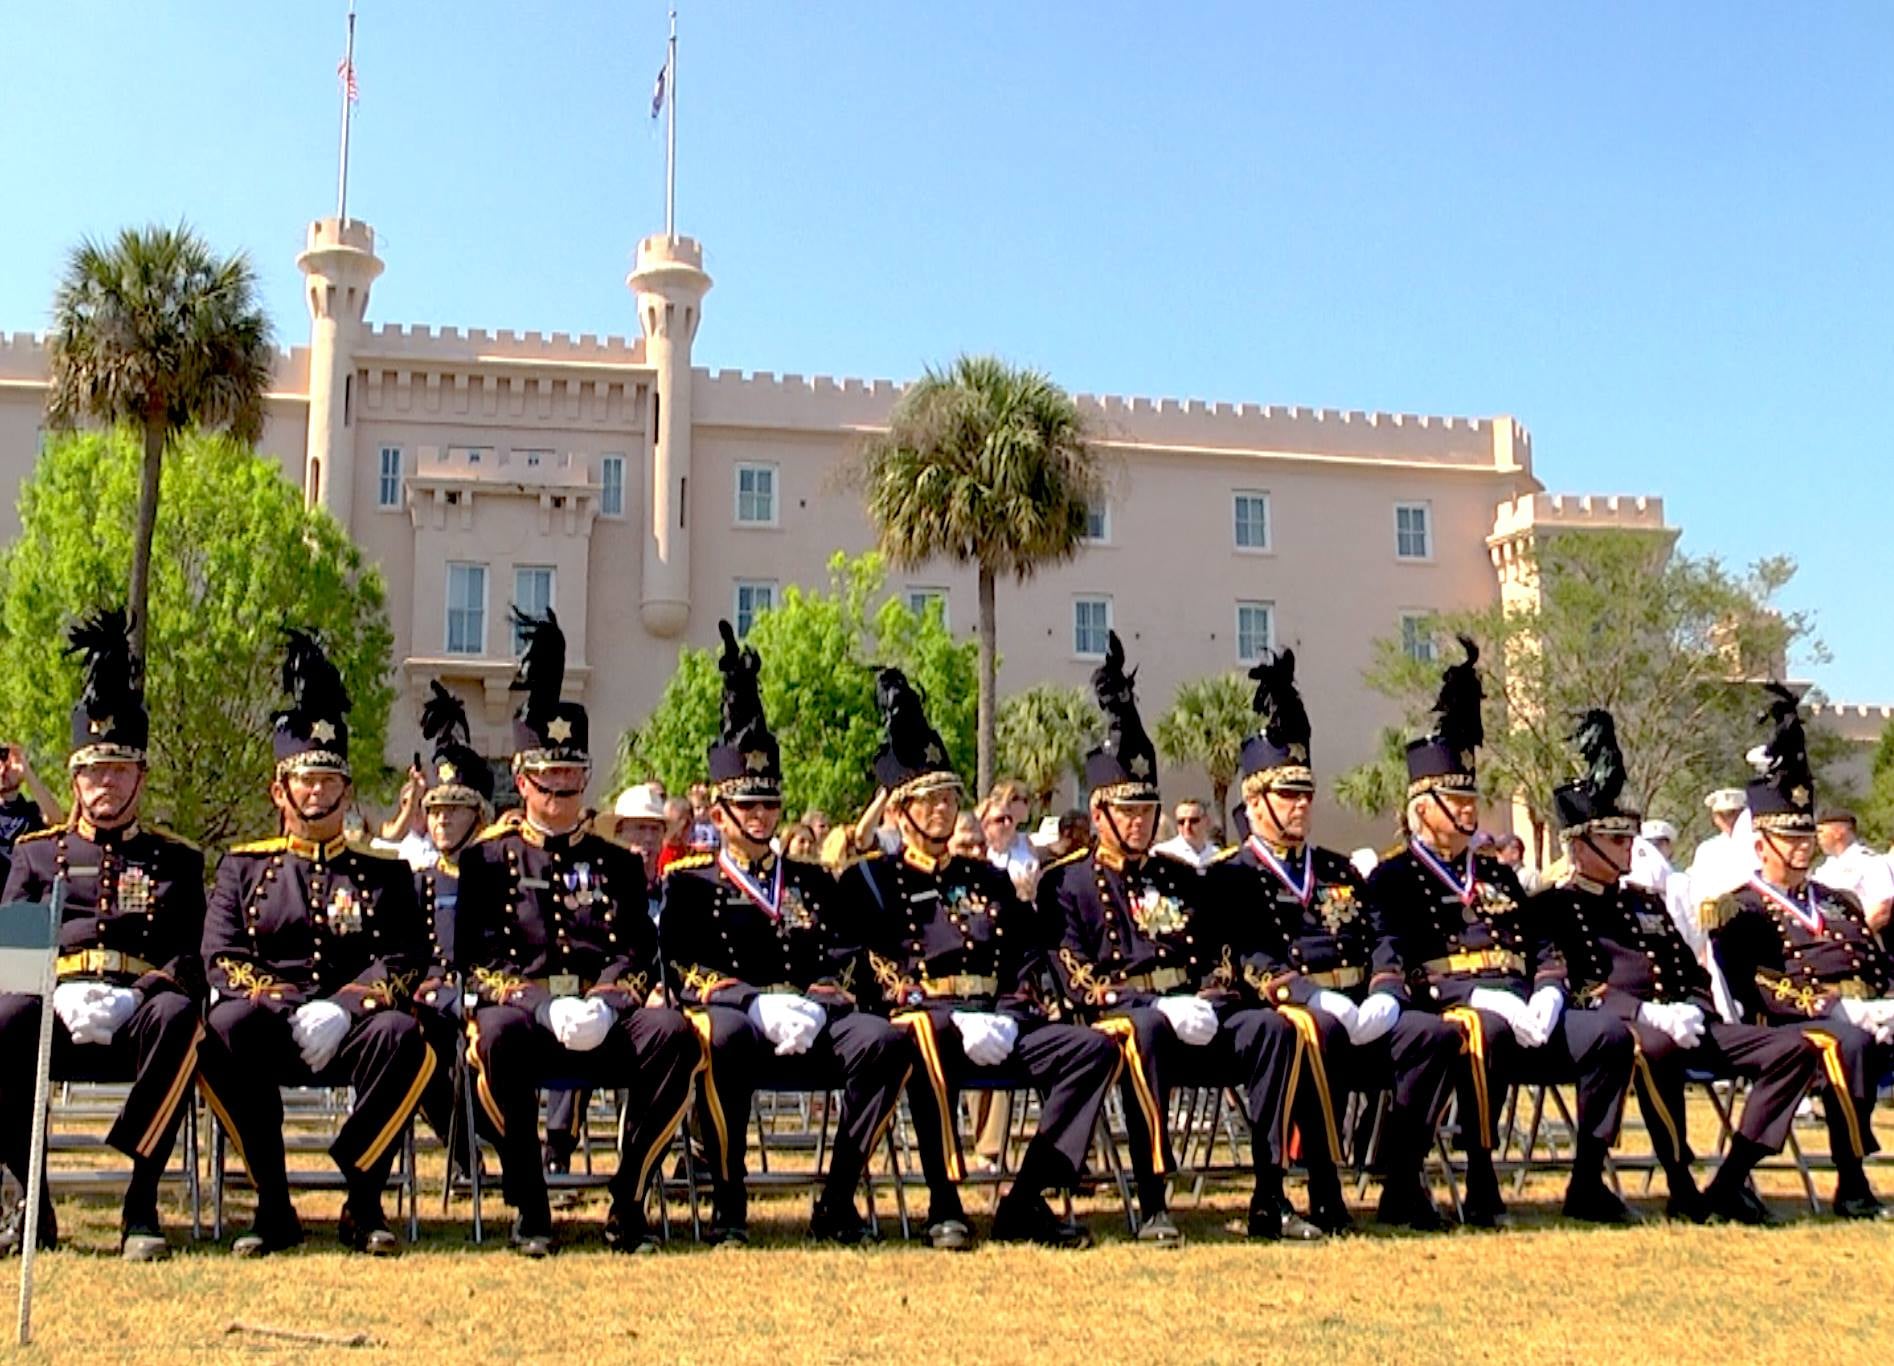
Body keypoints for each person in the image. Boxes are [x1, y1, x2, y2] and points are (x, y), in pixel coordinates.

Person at [839, 667, 1119, 1250]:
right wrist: (925, 1001)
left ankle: (1026, 1197)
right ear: (899, 810)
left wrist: (1013, 1004)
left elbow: (1023, 950)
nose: (942, 810)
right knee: (924, 1030)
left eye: (948, 798)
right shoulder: (872, 880)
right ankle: (945, 1198)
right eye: (928, 800)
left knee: (1091, 1048)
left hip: (997, 1017)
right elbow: (867, 962)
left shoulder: (984, 878)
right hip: (925, 1017)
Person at [1041, 633, 1306, 1245]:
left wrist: (1214, 995)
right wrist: (1150, 1005)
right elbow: (1074, 972)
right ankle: (1155, 1197)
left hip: (1195, 1014)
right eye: (1126, 812)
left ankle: (1271, 1194)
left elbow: (1220, 951)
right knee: (1150, 1032)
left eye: (1146, 810)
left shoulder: (1183, 876)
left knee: (1270, 1028)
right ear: (1100, 812)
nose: (1139, 822)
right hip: (1123, 1022)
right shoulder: (1069, 882)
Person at [1365, 637, 1637, 1227]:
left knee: (1610, 1037)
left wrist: (1548, 988)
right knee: (1482, 1030)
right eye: (1455, 798)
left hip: (1523, 1005)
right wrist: (1470, 994)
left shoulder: (1495, 873)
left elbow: (1540, 939)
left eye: (1471, 796)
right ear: (1421, 806)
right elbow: (1396, 956)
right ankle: (1483, 1182)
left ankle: (1587, 1180)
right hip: (1457, 1009)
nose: (1469, 809)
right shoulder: (1395, 876)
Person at [456, 610, 700, 1256]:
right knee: (495, 1035)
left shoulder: (618, 863)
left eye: (571, 779)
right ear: (521, 778)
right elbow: (473, 965)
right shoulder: (485, 860)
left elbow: (639, 957)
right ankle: (531, 1203)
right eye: (548, 780)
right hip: (528, 1020)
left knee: (673, 1034)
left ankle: (629, 1198)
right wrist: (538, 1002)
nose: (560, 794)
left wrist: (609, 1000)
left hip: (604, 1016)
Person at [660, 623, 912, 1245]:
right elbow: (681, 968)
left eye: (770, 805)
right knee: (723, 1039)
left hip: (811, 1014)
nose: (762, 817)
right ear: (719, 813)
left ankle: (838, 1196)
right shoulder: (691, 884)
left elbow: (845, 951)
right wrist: (750, 1000)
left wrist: (824, 992)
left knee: (883, 1041)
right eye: (748, 807)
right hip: (739, 1018)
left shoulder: (809, 878)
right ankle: (727, 1195)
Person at [196, 630, 435, 1257]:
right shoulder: (242, 868)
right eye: (305, 780)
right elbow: (220, 959)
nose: (318, 791)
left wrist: (349, 1005)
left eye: (330, 779)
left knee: (404, 1035)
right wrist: (280, 1003)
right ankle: (271, 1204)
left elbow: (408, 959)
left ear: (348, 789)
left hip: (350, 1027)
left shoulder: (384, 873)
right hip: (271, 1023)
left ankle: (363, 1198)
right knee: (223, 1028)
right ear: (280, 790)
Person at [1536, 709, 1821, 1224]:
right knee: (1655, 1044)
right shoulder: (1556, 906)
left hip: (1684, 1022)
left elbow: (1688, 972)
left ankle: (1731, 1178)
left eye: (1630, 839)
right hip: (1620, 1028)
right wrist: (1647, 1013)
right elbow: (1578, 987)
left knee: (1794, 1048)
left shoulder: (1646, 901)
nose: (1630, 849)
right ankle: (1678, 1180)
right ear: (1581, 845)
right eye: (1618, 840)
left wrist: (1692, 1007)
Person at [1214, 649, 1461, 1233]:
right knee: (1311, 1030)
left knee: (1432, 1034)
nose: (1302, 805)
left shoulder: (1339, 868)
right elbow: (1243, 953)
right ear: (1254, 801)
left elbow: (1381, 934)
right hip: (1289, 1014)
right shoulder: (1231, 875)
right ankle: (1324, 1187)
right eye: (1287, 794)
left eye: (1306, 793)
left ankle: (1400, 1178)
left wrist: (1385, 989)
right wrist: (1307, 994)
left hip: (1360, 1009)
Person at [0, 609, 205, 1261]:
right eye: (94, 771)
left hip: (138, 1016)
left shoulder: (175, 860)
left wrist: (138, 991)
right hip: (56, 1015)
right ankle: (32, 1201)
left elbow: (188, 956)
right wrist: (55, 987)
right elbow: (14, 960)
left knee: (181, 1014)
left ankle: (141, 1202)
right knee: (3, 1011)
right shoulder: (35, 856)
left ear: (141, 777)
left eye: (119, 770)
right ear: (73, 777)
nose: (105, 784)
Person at [1704, 687, 1894, 1219]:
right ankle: (1853, 1181)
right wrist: (1832, 1008)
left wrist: (1885, 1002)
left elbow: (1877, 962)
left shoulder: (1837, 899)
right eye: (1789, 836)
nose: (1803, 845)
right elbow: (1754, 986)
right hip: (1787, 1023)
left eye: (1806, 833)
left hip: (1865, 1019)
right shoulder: (1739, 909)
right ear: (1762, 843)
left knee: (1855, 1040)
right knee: (1845, 1043)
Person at [408, 682, 495, 1166]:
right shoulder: (417, 883)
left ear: (478, 815)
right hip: (433, 1006)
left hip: (487, 998)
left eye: (454, 809)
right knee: (410, 1048)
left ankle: (518, 1145)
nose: (441, 820)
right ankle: (465, 1150)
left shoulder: (501, 882)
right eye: (435, 809)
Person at [1813, 808, 1893, 933]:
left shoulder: (1870, 862)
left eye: (1821, 832)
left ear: (1838, 832)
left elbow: (1882, 909)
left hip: (1865, 943)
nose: (1818, 837)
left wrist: (1858, 936)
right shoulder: (1824, 869)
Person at [0, 739, 54, 889]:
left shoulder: (32, 812)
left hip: (25, 901)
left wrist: (26, 772)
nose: (3, 769)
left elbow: (57, 820)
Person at [981, 780, 1039, 898]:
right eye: (1025, 800)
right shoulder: (985, 841)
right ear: (1010, 801)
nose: (1029, 805)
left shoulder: (1026, 840)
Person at [375, 765, 436, 870]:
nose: (415, 808)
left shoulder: (445, 839)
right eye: (406, 802)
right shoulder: (393, 844)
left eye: (420, 801)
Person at [609, 784, 668, 886]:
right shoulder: (600, 893)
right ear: (618, 833)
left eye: (655, 829)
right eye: (640, 828)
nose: (649, 838)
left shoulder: (677, 895)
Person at [1151, 798, 1219, 869]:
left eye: (1193, 820)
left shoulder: (1216, 854)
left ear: (1206, 821)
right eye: (1181, 822)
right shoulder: (1162, 852)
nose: (1187, 826)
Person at [657, 796, 696, 876]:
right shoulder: (656, 852)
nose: (680, 830)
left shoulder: (691, 852)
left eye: (687, 825)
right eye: (670, 823)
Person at [687, 782, 721, 851]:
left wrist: (708, 845)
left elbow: (716, 842)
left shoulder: (712, 825)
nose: (702, 812)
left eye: (706, 808)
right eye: (698, 808)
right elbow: (688, 840)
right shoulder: (692, 826)